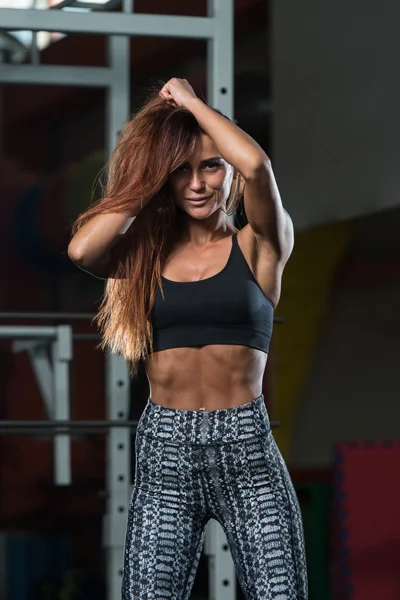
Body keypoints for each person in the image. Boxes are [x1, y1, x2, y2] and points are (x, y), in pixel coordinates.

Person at [68, 78, 308, 600]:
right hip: (166, 449)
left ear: (226, 173)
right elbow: (84, 252)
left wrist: (195, 106)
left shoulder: (261, 244)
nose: (197, 184)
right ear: (165, 181)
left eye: (210, 166)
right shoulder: (145, 257)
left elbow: (258, 167)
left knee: (281, 593)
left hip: (246, 446)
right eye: (181, 171)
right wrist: (145, 174)